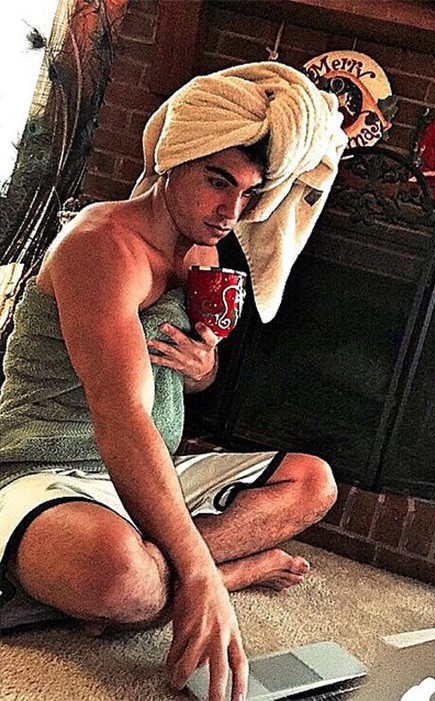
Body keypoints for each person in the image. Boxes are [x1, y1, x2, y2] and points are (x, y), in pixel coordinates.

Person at [0, 61, 348, 701]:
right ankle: (221, 573)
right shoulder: (101, 246)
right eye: (218, 182)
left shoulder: (203, 252)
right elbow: (123, 416)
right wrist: (205, 574)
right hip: (47, 470)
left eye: (248, 194)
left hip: (153, 467)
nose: (231, 211)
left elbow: (184, 380)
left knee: (314, 481)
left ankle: (155, 578)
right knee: (117, 574)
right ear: (173, 160)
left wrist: (202, 367)